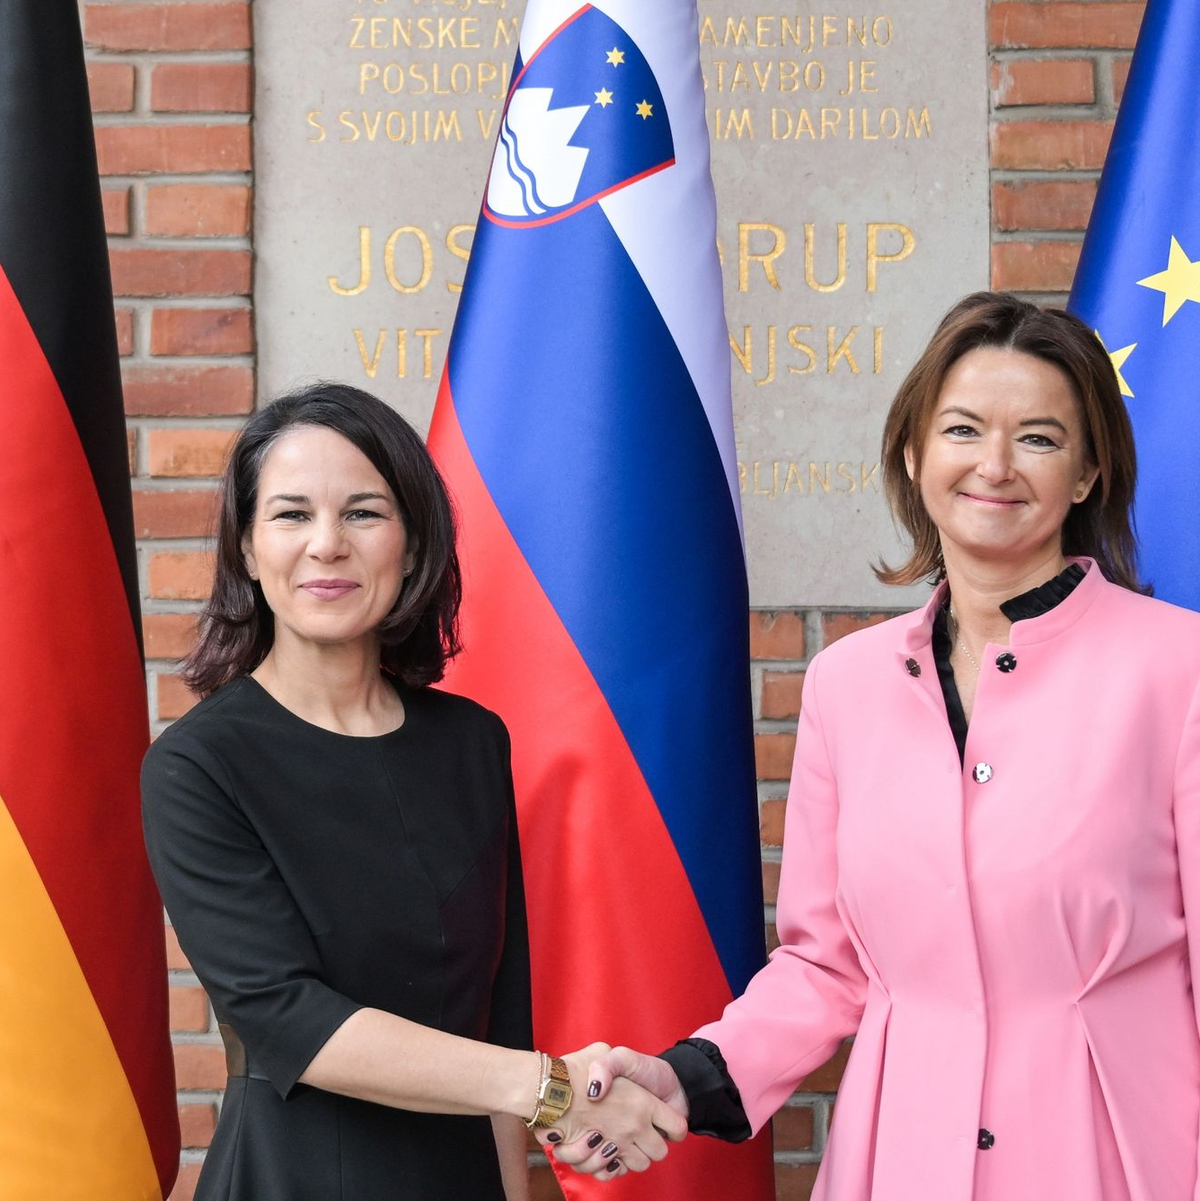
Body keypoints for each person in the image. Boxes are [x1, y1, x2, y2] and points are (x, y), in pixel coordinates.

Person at [549, 292, 1200, 1199]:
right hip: (900, 1158)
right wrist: (687, 1076)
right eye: (963, 429)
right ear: (913, 452)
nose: (996, 465)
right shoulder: (845, 684)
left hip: (1119, 1158)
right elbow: (825, 964)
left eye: (1041, 438)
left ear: (1088, 473)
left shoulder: (1180, 669)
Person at [141, 383, 684, 1201]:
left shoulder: (471, 741)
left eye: (363, 512)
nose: (327, 545)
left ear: (412, 538)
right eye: (291, 515)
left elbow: (499, 1013)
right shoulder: (197, 766)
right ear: (248, 549)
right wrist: (553, 1089)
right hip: (292, 1178)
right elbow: (294, 1019)